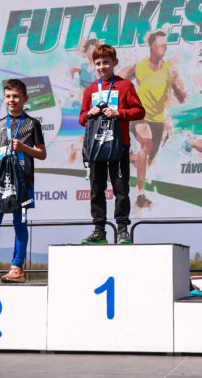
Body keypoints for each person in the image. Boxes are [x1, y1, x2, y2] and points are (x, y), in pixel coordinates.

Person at [0, 79, 47, 283]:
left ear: (25, 98)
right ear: (4, 99)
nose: (12, 100)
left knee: (20, 223)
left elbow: (42, 154)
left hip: (23, 183)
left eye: (16, 96)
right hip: (0, 183)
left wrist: (24, 148)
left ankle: (17, 268)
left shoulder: (32, 124)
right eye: (8, 96)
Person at [79, 44, 145, 244]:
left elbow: (139, 111)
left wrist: (119, 113)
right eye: (98, 63)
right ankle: (99, 230)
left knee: (120, 188)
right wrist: (89, 113)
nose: (102, 67)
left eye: (106, 62)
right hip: (96, 146)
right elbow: (81, 119)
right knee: (96, 189)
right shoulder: (90, 90)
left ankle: (123, 229)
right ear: (94, 65)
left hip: (119, 145)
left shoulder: (125, 86)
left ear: (115, 62)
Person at [123, 30, 186, 208]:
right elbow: (121, 82)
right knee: (147, 142)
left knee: (147, 160)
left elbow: (181, 97)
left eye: (165, 43)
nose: (163, 46)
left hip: (158, 121)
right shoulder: (139, 66)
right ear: (151, 45)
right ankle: (140, 194)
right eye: (160, 43)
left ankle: (130, 158)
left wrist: (177, 83)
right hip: (139, 116)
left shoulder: (169, 69)